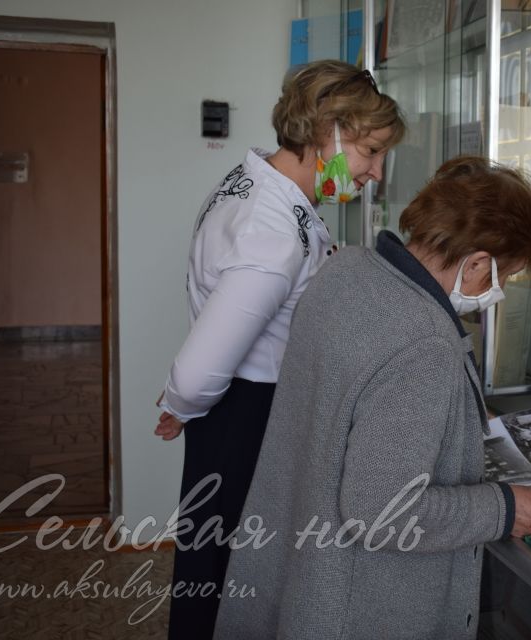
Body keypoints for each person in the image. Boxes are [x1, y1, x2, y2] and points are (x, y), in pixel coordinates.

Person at [214, 156, 531, 639]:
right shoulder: (425, 341)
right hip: (356, 605)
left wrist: (453, 414)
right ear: (478, 261)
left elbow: (350, 399)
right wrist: (504, 509)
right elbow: (381, 511)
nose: (497, 292)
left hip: (294, 567)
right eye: (503, 278)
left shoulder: (347, 270)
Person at [155, 60, 405, 639]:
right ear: (329, 134)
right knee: (232, 581)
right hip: (248, 419)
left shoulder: (257, 184)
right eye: (370, 151)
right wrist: (180, 402)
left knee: (215, 571)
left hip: (238, 410)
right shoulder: (271, 231)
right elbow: (198, 374)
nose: (374, 173)